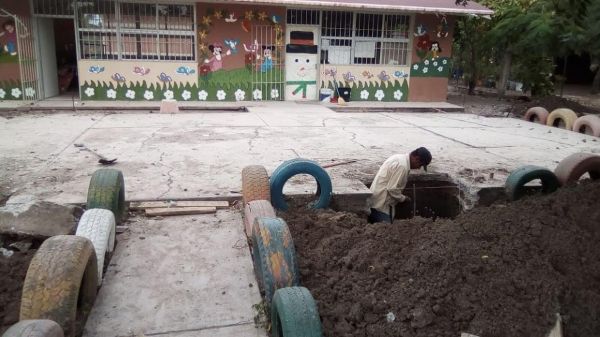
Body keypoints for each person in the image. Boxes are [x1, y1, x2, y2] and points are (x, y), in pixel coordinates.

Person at [367, 147, 432, 223]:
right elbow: (392, 189)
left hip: (374, 201)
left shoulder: (399, 158)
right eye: (420, 165)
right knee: (385, 230)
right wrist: (403, 198)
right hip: (381, 206)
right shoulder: (403, 167)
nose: (418, 168)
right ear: (416, 159)